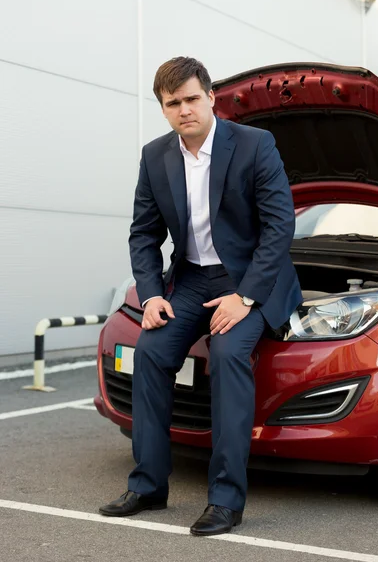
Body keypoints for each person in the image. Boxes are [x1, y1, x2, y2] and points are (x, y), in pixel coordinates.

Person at [99, 57, 302, 536]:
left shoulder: (255, 145)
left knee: (229, 355)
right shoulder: (155, 156)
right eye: (174, 103)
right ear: (164, 110)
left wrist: (245, 297)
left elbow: (279, 227)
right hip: (189, 280)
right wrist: (151, 296)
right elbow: (143, 234)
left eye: (192, 98)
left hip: (250, 278)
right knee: (149, 353)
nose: (184, 109)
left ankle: (226, 499)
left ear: (211, 97)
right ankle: (148, 484)